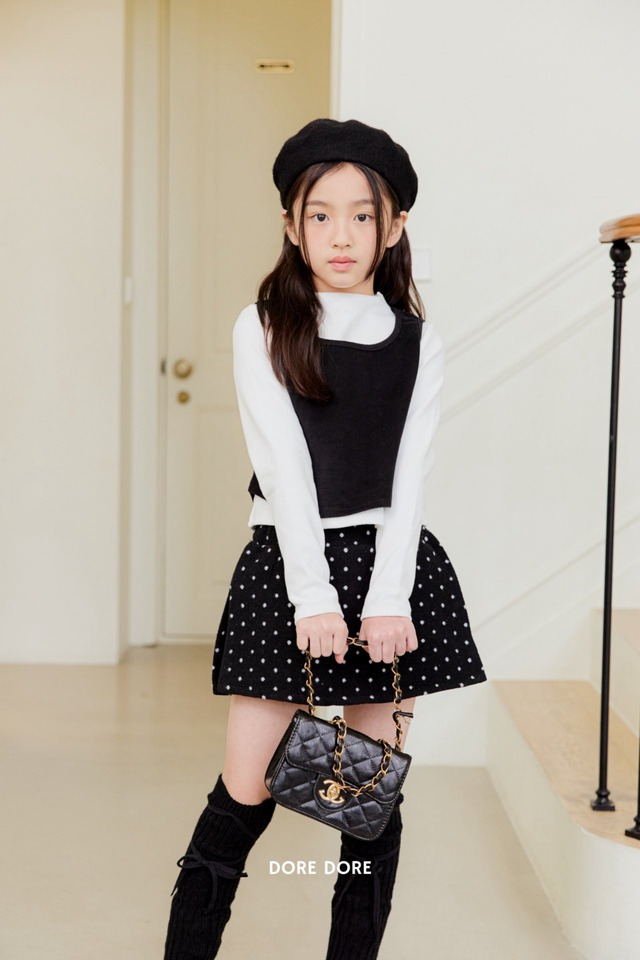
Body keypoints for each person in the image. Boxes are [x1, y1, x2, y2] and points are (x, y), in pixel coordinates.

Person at [163, 117, 486, 960]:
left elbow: (409, 478)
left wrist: (387, 599)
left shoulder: (419, 342)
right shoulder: (264, 324)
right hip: (288, 567)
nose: (341, 236)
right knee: (243, 796)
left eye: (361, 215)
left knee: (367, 809)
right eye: (319, 215)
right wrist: (313, 597)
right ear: (291, 224)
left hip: (391, 577)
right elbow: (286, 473)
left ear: (394, 227)